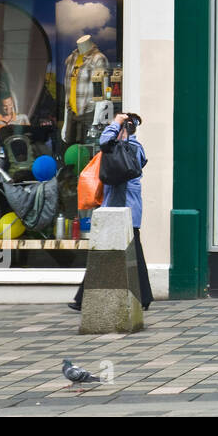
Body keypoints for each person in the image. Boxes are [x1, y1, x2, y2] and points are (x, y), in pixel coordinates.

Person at [69, 113, 152, 312]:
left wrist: (116, 122)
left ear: (123, 129)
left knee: (103, 251)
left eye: (118, 127)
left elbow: (104, 141)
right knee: (123, 252)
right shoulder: (135, 148)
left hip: (120, 208)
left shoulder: (123, 147)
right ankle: (144, 297)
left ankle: (83, 298)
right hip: (126, 208)